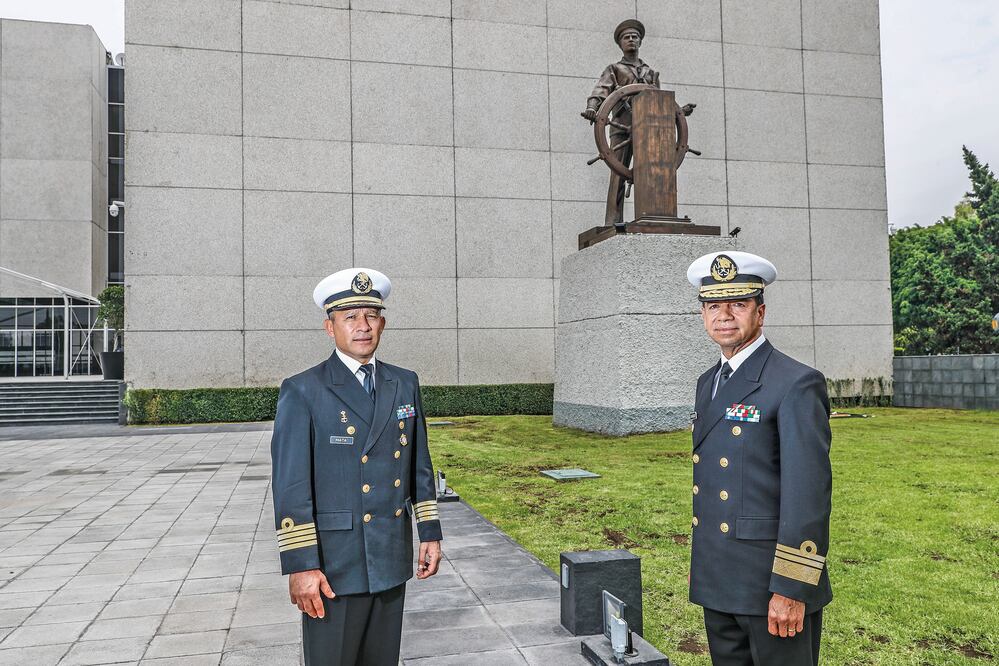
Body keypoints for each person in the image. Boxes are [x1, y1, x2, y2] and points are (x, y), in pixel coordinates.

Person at [270, 267, 443, 666]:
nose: (362, 326)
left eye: (370, 315)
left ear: (382, 323)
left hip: (390, 557)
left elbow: (420, 464)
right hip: (333, 567)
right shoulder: (303, 390)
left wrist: (429, 531)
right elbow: (291, 488)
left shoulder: (404, 382)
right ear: (329, 328)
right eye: (349, 317)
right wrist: (302, 566)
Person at [686, 251, 832, 666]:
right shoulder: (707, 383)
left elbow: (808, 494)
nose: (724, 315)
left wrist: (792, 587)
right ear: (703, 315)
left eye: (738, 304)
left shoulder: (796, 382)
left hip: (771, 584)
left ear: (760, 312)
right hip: (719, 577)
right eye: (714, 305)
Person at [582, 19, 660, 227]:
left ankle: (652, 216)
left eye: (635, 37)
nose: (632, 40)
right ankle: (613, 221)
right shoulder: (614, 69)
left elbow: (660, 99)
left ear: (640, 42)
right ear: (620, 44)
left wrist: (675, 112)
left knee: (653, 172)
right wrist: (592, 108)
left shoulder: (651, 73)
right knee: (619, 171)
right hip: (622, 129)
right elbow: (600, 90)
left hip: (649, 129)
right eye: (627, 37)